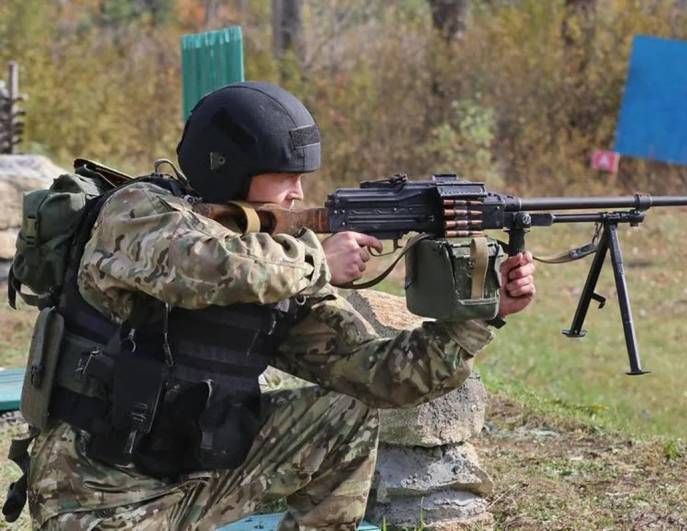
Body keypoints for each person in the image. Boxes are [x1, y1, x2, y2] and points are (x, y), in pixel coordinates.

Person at [25, 82, 536, 530]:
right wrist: (318, 259)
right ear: (230, 171)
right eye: (285, 177)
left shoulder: (282, 263)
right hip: (96, 497)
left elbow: (380, 376)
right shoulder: (138, 213)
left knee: (347, 415)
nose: (298, 194)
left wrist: (481, 316)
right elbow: (208, 268)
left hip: (193, 482)